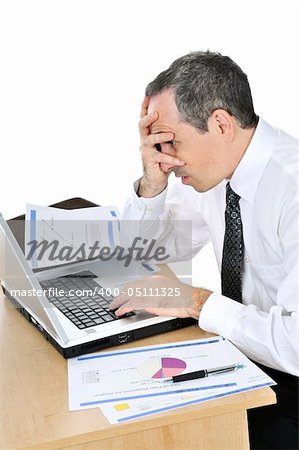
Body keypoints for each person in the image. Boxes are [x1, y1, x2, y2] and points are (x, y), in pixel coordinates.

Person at [109, 51, 299, 450]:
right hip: (252, 362)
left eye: (170, 141)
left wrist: (194, 301)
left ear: (220, 124)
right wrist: (152, 184)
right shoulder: (213, 175)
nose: (167, 158)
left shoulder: (292, 188)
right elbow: (134, 257)